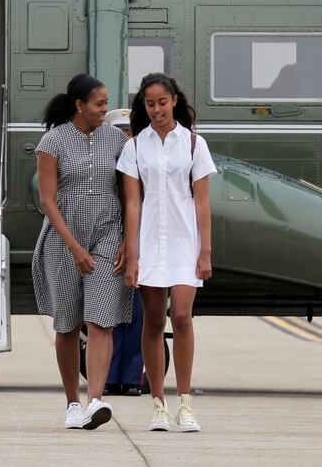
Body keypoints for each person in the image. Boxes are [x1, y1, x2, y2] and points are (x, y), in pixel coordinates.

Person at [32, 74, 133, 430]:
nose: (106, 110)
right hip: (64, 236)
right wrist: (73, 246)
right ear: (80, 105)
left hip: (108, 232)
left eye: (106, 103)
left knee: (101, 318)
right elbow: (47, 199)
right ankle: (72, 404)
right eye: (100, 104)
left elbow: (128, 194)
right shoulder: (53, 141)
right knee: (68, 323)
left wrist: (127, 240)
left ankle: (96, 401)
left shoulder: (118, 141)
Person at [117, 73, 217, 432]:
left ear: (174, 99)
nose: (156, 109)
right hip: (148, 241)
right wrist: (132, 254)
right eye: (149, 103)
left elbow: (202, 202)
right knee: (154, 322)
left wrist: (204, 251)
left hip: (184, 241)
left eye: (162, 101)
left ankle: (185, 403)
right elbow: (132, 203)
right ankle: (158, 404)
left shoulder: (193, 144)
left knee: (183, 318)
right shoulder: (134, 146)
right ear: (143, 106)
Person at [102, 109, 145, 397]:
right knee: (108, 314)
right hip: (107, 245)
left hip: (139, 247)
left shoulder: (144, 166)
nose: (125, 137)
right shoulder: (104, 170)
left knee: (137, 316)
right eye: (120, 132)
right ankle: (107, 375)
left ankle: (132, 377)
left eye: (130, 131)